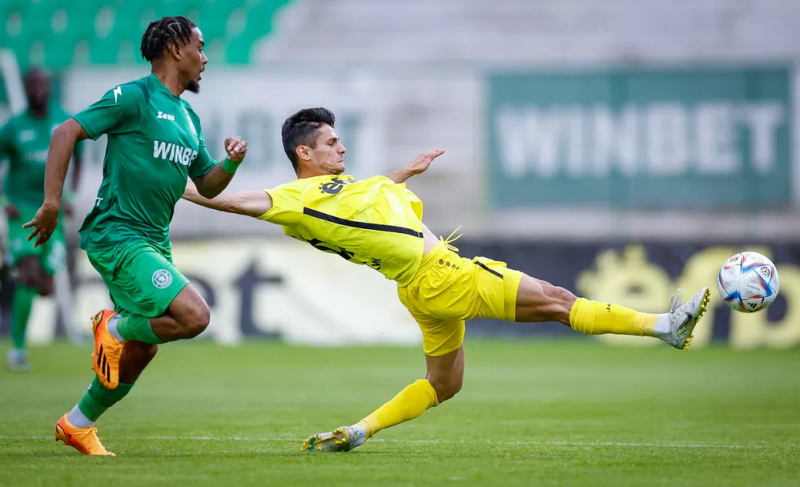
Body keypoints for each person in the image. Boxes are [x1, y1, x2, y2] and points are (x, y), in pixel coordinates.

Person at [182, 107, 710, 453]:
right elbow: (231, 200)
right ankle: (664, 326)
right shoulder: (292, 198)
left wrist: (405, 173)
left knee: (444, 385)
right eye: (332, 142)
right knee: (556, 299)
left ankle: (361, 430)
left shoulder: (335, 191)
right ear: (305, 153)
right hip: (442, 275)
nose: (341, 148)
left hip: (418, 290)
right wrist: (172, 185)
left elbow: (364, 197)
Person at [23, 16, 248, 456]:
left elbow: (206, 185)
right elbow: (65, 132)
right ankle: (113, 325)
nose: (205, 58)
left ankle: (77, 424)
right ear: (175, 48)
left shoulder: (188, 116)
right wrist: (52, 203)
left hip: (153, 241)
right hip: (119, 234)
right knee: (195, 316)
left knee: (143, 350)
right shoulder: (133, 96)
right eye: (200, 47)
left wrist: (231, 163)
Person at [0, 68, 83, 371]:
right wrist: (4, 201)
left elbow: (79, 157)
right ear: (26, 88)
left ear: (50, 87)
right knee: (29, 274)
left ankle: (13, 264)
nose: (40, 88)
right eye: (34, 84)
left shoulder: (64, 121)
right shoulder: (13, 127)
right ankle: (18, 349)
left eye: (44, 83)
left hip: (52, 208)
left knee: (45, 286)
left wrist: (71, 196)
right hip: (22, 210)